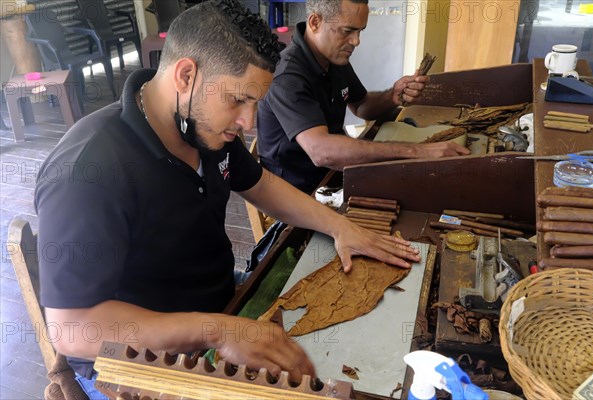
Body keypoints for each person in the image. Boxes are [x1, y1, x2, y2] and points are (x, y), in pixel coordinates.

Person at [34, 1, 421, 398]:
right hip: (133, 361)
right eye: (238, 100)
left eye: (256, 103)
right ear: (186, 75)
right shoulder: (86, 171)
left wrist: (340, 226)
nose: (249, 123)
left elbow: (263, 186)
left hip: (220, 304)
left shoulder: (202, 127)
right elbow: (71, 329)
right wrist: (219, 330)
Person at [257, 0, 471, 193]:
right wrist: (417, 151)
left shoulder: (333, 58)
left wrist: (392, 96)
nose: (356, 41)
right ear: (315, 22)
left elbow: (361, 107)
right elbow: (321, 152)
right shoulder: (287, 77)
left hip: (335, 173)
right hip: (297, 190)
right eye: (348, 31)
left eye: (360, 31)